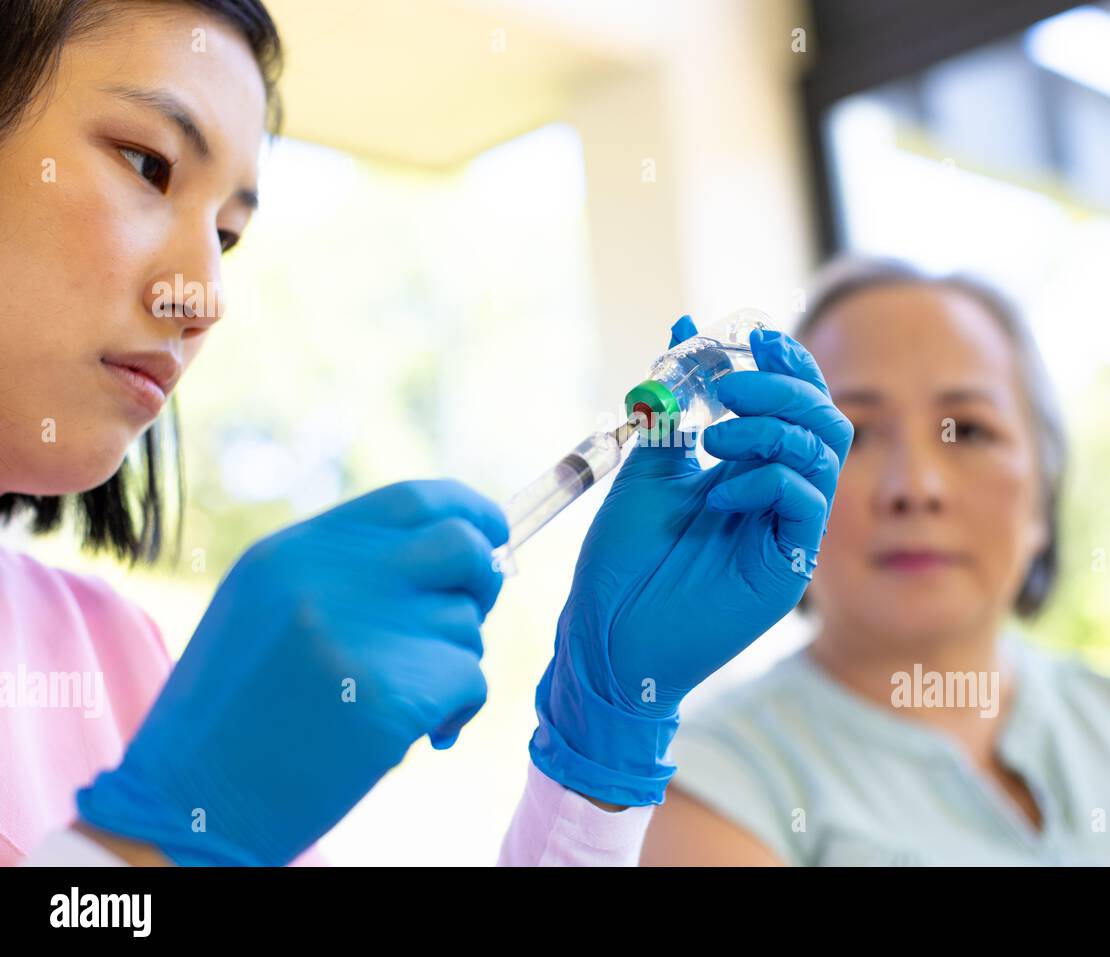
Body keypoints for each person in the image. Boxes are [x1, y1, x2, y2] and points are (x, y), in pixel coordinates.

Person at [0, 0, 852, 866]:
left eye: (228, 235)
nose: (205, 297)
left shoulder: (117, 661)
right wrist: (144, 846)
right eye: (149, 165)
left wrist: (600, 752)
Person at [641, 256, 1110, 866]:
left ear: (1042, 496)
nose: (916, 487)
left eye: (970, 428)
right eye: (858, 433)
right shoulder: (714, 785)